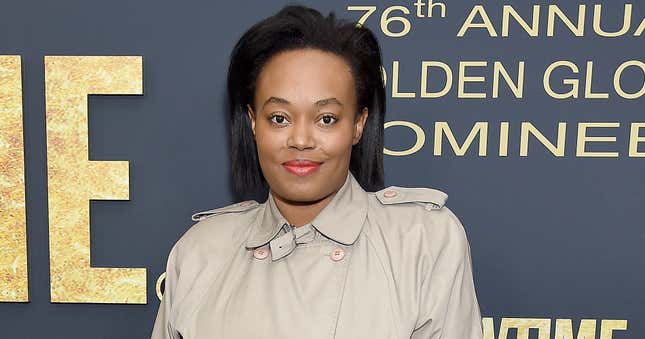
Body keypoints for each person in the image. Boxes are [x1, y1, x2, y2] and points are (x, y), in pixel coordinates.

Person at [151, 4, 483, 339]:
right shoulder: (201, 251)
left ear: (358, 124)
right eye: (279, 118)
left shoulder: (423, 242)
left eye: (327, 119)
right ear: (253, 123)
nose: (300, 140)